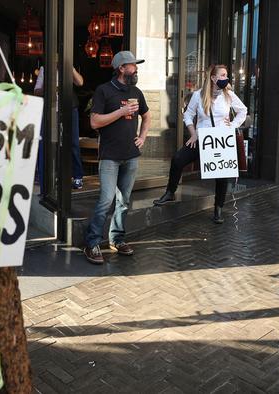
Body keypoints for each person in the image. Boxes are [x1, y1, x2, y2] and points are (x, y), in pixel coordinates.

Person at [152, 64, 247, 224]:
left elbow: (242, 111)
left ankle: (218, 209)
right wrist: (193, 134)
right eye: (222, 75)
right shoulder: (198, 95)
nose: (226, 78)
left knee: (222, 176)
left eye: (226, 75)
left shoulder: (228, 94)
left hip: (221, 140)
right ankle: (170, 192)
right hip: (202, 139)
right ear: (213, 78)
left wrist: (232, 125)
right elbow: (188, 115)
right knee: (178, 159)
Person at [83, 51, 151, 265]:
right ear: (121, 68)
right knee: (106, 201)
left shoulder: (136, 92)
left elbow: (147, 116)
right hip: (110, 157)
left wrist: (142, 137)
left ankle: (117, 239)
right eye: (133, 65)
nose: (136, 69)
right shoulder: (104, 91)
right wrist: (121, 112)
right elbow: (94, 122)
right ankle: (92, 243)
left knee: (124, 201)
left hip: (130, 156)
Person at [34, 66, 86, 190]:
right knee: (52, 143)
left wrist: (72, 69)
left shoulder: (68, 67)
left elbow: (80, 82)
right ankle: (52, 177)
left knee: (72, 142)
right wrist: (49, 88)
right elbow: (36, 91)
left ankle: (77, 176)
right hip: (52, 109)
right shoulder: (44, 69)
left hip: (69, 108)